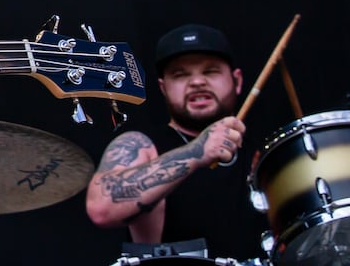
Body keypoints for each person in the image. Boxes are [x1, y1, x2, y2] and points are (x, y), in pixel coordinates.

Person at [86, 23, 267, 261]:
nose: (197, 82)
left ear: (237, 80)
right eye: (180, 75)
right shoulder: (140, 145)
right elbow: (102, 208)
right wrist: (198, 152)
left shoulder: (264, 154)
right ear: (163, 88)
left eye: (210, 71)